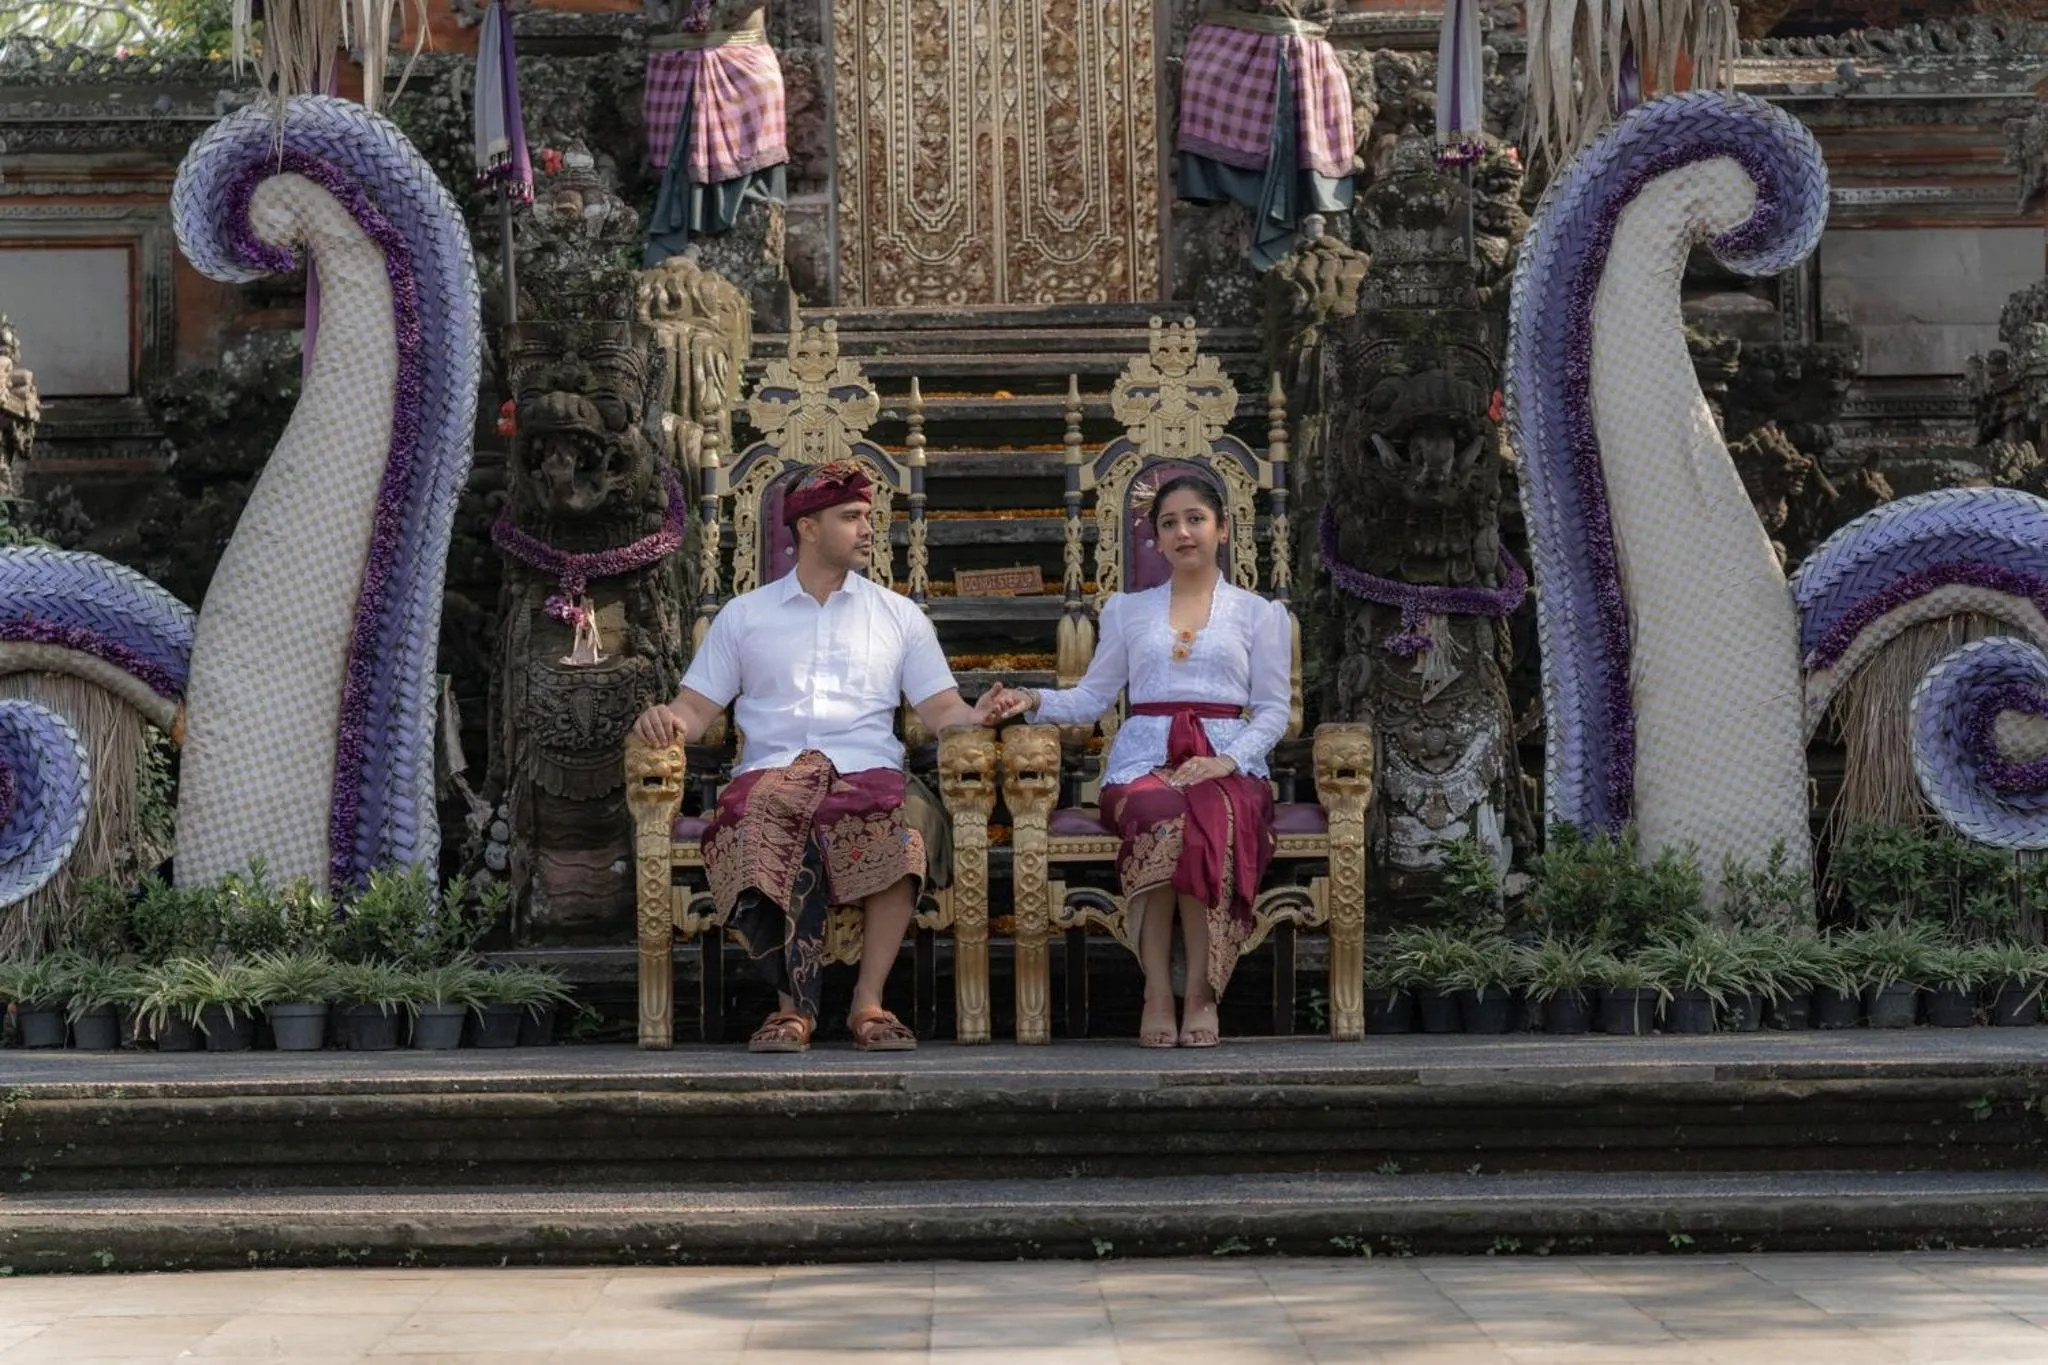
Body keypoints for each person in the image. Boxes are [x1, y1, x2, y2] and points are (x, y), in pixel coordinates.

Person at [632, 460, 1013, 1053]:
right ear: (807, 527)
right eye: (851, 517)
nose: (867, 529)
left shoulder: (898, 615)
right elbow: (694, 711)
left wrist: (977, 715)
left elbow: (942, 711)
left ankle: (869, 1002)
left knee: (906, 827)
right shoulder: (745, 616)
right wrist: (663, 719)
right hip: (770, 774)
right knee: (752, 825)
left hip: (869, 771)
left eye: (868, 516)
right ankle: (790, 1011)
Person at [986, 474, 1291, 1047]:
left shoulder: (1259, 615)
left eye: (1196, 519)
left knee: (1205, 817)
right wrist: (1031, 699)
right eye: (1169, 523)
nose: (1183, 532)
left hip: (1228, 761)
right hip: (1144, 761)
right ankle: (1157, 990)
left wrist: (1226, 761)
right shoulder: (1128, 610)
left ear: (1222, 530)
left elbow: (1274, 711)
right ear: (1155, 540)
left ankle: (1200, 993)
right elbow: (1091, 698)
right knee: (1162, 814)